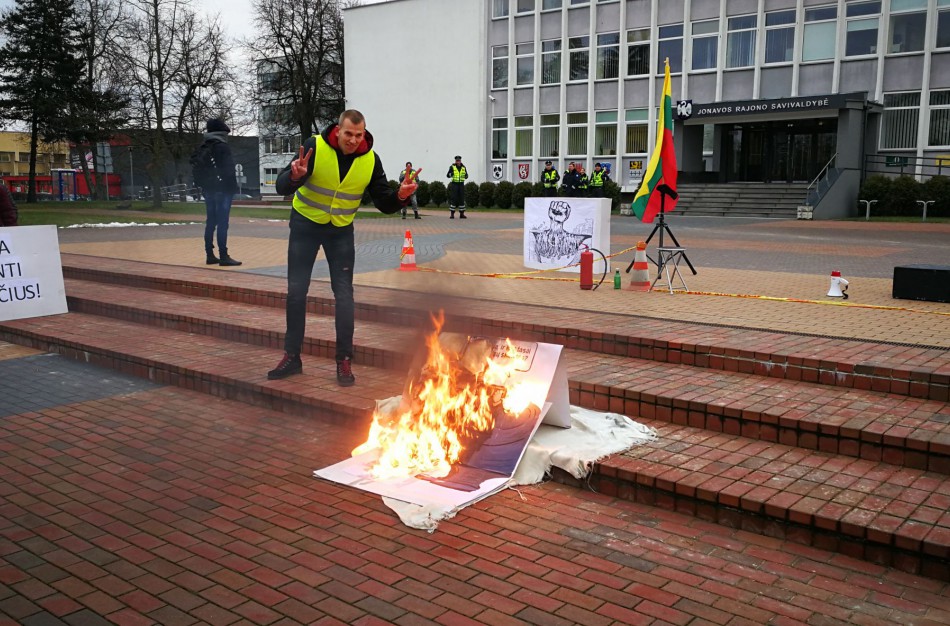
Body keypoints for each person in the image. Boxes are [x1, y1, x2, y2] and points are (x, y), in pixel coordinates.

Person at [268, 109, 417, 386]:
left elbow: (384, 202)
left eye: (358, 135)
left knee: (345, 295)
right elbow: (281, 186)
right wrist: (294, 176)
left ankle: (344, 360)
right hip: (306, 225)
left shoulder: (371, 159)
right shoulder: (315, 146)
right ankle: (292, 357)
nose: (353, 140)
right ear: (338, 130)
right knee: (297, 292)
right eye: (348, 133)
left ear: (364, 134)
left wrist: (400, 196)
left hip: (340, 230)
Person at [198, 118, 241, 266]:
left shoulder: (203, 147)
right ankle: (224, 255)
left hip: (208, 190)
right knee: (223, 223)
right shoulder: (222, 147)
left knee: (211, 222)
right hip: (223, 191)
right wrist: (231, 188)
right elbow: (229, 170)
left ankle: (209, 254)